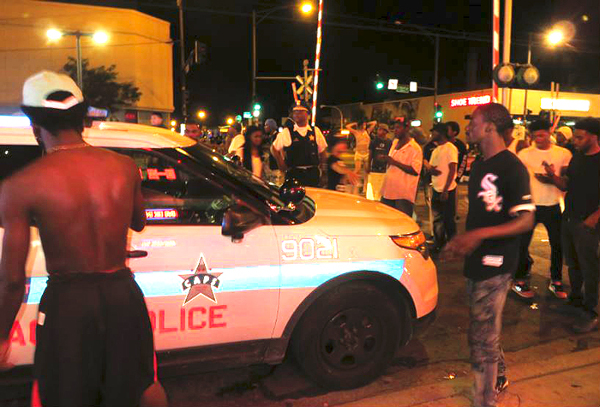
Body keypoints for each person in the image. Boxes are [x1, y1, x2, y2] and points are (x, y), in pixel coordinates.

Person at [0, 71, 167, 406]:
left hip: (68, 304)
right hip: (123, 294)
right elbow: (138, 221)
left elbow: (12, 280)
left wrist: (2, 335)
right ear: (82, 119)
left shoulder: (21, 185)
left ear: (35, 126)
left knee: (65, 395)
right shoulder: (123, 166)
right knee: (141, 385)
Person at [443, 103, 535, 407]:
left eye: (474, 123)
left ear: (490, 128)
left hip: (496, 264)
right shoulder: (480, 163)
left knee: (481, 337)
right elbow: (483, 214)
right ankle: (500, 373)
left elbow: (525, 220)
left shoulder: (512, 167)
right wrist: (462, 241)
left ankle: (485, 400)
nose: (468, 127)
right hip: (475, 260)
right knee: (485, 326)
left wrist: (478, 236)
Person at [549, 118, 600, 333]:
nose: (575, 141)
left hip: (587, 223)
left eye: (580, 137)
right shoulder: (578, 158)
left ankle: (592, 309)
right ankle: (575, 298)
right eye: (575, 137)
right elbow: (568, 184)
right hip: (568, 218)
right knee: (573, 262)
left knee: (589, 266)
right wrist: (552, 177)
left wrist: (594, 218)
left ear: (594, 137)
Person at [514, 120, 572, 299]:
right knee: (522, 244)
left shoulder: (563, 153)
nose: (538, 138)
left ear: (549, 133)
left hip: (553, 205)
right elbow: (518, 179)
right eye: (535, 135)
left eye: (542, 134)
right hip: (530, 205)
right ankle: (519, 280)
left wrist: (552, 177)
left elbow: (567, 180)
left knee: (557, 245)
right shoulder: (524, 154)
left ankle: (555, 279)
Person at [271, 101, 327, 187]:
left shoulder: (315, 131)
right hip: (294, 174)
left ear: (308, 114)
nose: (297, 114)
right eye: (295, 111)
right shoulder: (287, 132)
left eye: (300, 111)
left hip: (312, 174)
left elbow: (323, 152)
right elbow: (274, 148)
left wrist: (324, 172)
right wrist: (280, 163)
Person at [380, 118, 423, 216]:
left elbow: (415, 170)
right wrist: (385, 160)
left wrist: (394, 162)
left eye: (398, 128)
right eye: (394, 128)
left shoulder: (414, 148)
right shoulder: (395, 142)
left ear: (406, 128)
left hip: (403, 194)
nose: (395, 130)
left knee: (402, 223)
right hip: (388, 190)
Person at [429, 123, 458, 252]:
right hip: (436, 188)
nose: (432, 134)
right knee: (437, 220)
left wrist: (446, 189)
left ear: (440, 133)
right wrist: (430, 170)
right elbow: (434, 168)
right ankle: (439, 243)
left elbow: (452, 169)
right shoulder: (436, 150)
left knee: (448, 220)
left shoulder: (450, 148)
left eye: (434, 132)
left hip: (448, 190)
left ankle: (453, 246)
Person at [346, 120, 377, 193]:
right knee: (357, 169)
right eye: (363, 125)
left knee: (367, 171)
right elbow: (347, 126)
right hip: (359, 153)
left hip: (366, 153)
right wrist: (355, 123)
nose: (364, 126)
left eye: (365, 125)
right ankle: (352, 183)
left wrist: (367, 123)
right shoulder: (356, 132)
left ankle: (365, 188)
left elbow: (375, 123)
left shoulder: (367, 131)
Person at [366, 123, 392, 201]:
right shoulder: (374, 141)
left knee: (381, 191)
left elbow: (390, 154)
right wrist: (368, 165)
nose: (379, 131)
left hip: (384, 169)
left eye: (381, 130)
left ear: (385, 132)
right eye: (379, 129)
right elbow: (370, 154)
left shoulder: (389, 142)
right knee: (372, 190)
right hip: (374, 168)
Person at [264, 118, 284, 185]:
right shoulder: (271, 137)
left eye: (266, 125)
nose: (265, 127)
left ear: (271, 126)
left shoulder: (277, 136)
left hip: (277, 167)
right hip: (273, 167)